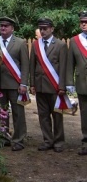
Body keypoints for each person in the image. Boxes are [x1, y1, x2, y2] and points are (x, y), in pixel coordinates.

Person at [0, 16, 29, 151]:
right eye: (1, 26)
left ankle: (19, 139)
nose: (3, 28)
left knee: (18, 113)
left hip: (15, 84)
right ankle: (3, 137)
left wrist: (24, 83)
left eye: (6, 26)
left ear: (12, 28)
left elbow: (25, 65)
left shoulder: (20, 43)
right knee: (2, 113)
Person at [29, 18, 67, 152]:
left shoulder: (60, 45)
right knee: (43, 115)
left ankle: (58, 142)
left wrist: (62, 86)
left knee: (57, 115)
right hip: (40, 85)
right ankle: (47, 140)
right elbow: (32, 66)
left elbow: (63, 67)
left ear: (52, 29)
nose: (43, 31)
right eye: (41, 28)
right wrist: (32, 84)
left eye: (45, 28)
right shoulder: (35, 45)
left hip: (55, 86)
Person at [67, 11, 87, 156]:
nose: (84, 24)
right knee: (85, 114)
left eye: (86, 22)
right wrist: (69, 82)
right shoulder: (74, 41)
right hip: (82, 83)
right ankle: (86, 142)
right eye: (82, 22)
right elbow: (70, 64)